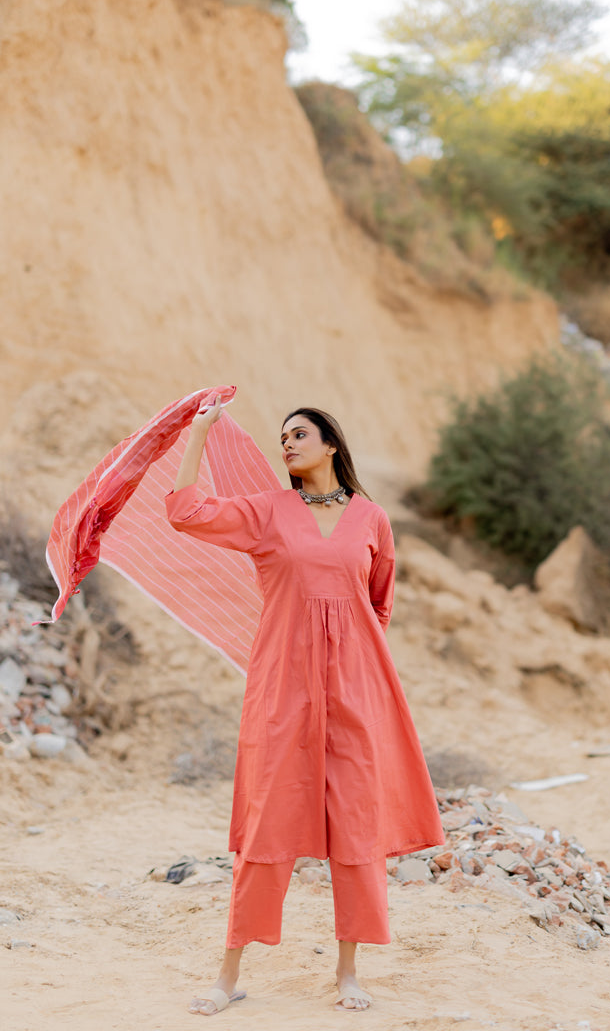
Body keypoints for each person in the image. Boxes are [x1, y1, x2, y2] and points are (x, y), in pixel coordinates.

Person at [165, 397, 444, 1016]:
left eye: (299, 434)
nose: (287, 443)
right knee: (267, 821)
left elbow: (379, 603)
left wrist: (353, 662)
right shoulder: (267, 512)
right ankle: (228, 976)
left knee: (356, 823)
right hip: (283, 685)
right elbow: (185, 512)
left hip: (356, 690)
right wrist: (200, 433)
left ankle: (348, 973)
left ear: (331, 445)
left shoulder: (371, 519)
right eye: (283, 437)